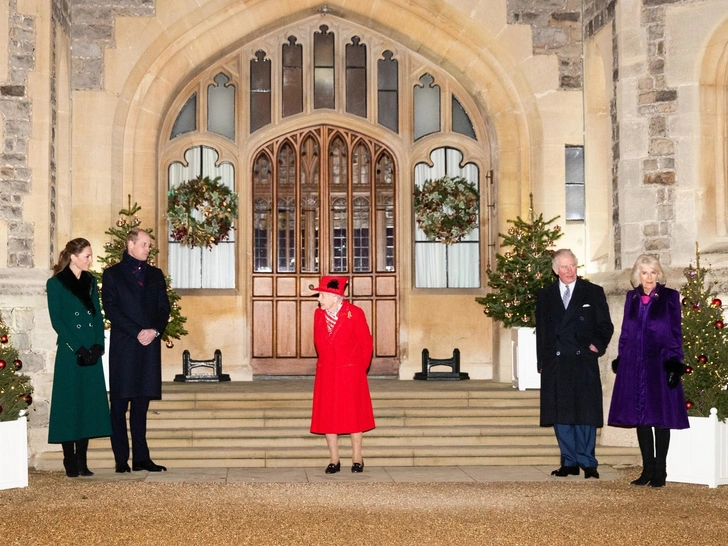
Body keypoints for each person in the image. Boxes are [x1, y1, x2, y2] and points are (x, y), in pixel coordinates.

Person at [608, 254, 689, 488]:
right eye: (645, 272)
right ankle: (647, 469)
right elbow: (625, 332)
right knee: (641, 419)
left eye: (653, 272)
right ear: (638, 275)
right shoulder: (631, 298)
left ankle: (660, 471)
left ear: (658, 274)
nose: (649, 277)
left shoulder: (670, 297)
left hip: (660, 363)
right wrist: (621, 358)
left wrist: (675, 362)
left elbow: (675, 333)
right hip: (634, 364)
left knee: (660, 419)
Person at [536, 248, 614, 479]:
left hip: (583, 361)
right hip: (556, 363)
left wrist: (596, 345)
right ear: (555, 270)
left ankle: (588, 462)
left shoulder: (593, 292)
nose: (569, 271)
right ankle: (568, 462)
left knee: (586, 413)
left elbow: (605, 326)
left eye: (573, 266)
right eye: (564, 267)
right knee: (561, 414)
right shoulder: (545, 295)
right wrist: (542, 361)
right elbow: (542, 331)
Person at [102, 227, 171, 473]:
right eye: (144, 244)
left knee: (141, 405)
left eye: (149, 245)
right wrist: (137, 331)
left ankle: (142, 457)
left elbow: (164, 308)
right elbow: (111, 310)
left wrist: (154, 330)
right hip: (125, 346)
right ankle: (121, 459)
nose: (148, 248)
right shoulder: (112, 275)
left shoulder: (155, 274)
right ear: (130, 244)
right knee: (119, 405)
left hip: (149, 346)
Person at [46, 238, 112, 477]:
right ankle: (69, 458)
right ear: (73, 257)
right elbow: (58, 321)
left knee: (87, 404)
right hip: (70, 352)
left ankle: (83, 461)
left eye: (90, 256)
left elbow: (96, 315)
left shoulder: (91, 282)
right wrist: (78, 347)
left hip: (91, 352)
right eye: (87, 256)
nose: (90, 260)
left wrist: (98, 345)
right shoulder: (55, 284)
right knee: (69, 404)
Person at [310, 276, 375, 473]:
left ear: (334, 296)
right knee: (328, 415)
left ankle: (357, 458)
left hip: (351, 372)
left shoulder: (354, 313)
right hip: (327, 372)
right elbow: (318, 343)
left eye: (321, 295)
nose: (319, 299)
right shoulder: (318, 315)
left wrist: (357, 369)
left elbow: (366, 344)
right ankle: (334, 459)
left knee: (354, 415)